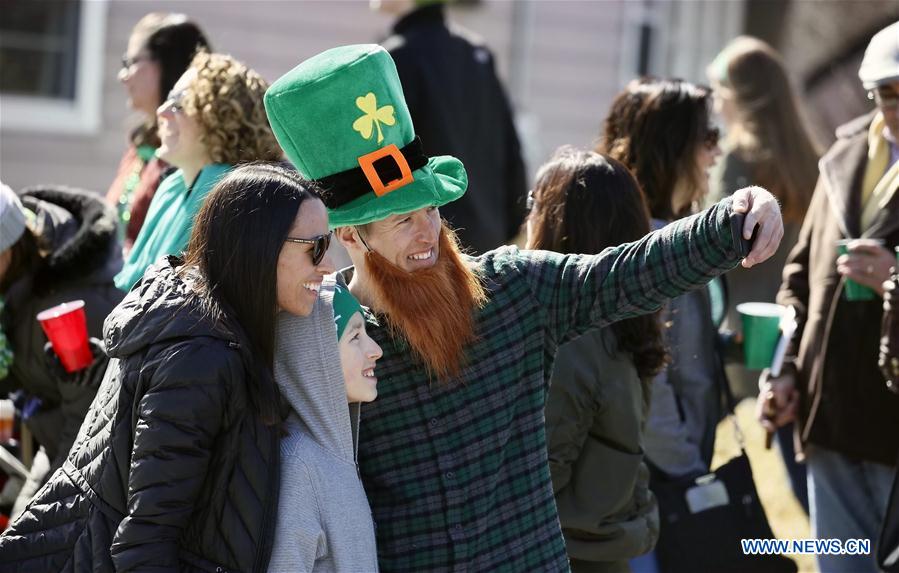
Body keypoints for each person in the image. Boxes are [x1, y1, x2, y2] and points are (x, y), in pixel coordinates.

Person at [264, 44, 782, 571]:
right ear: (351, 234)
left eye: (432, 208)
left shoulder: (513, 289)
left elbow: (622, 274)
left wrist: (733, 220)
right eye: (401, 220)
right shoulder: (326, 341)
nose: (430, 233)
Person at [0, 164, 334, 571]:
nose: (328, 264)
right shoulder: (198, 360)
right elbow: (143, 545)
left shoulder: (194, 319)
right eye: (314, 247)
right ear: (259, 248)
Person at [760, 21, 899, 573]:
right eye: (888, 93)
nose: (896, 109)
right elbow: (799, 276)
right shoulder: (841, 157)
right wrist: (788, 369)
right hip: (831, 416)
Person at [528, 147, 666, 572]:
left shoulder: (572, 344)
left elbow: (536, 486)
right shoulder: (623, 324)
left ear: (560, 226)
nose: (527, 214)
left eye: (535, 202)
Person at [706, 35, 820, 513]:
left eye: (719, 90)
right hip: (795, 333)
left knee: (694, 449)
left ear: (741, 95)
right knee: (806, 477)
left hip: (742, 336)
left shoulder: (737, 161)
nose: (715, 103)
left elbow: (709, 248)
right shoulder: (811, 160)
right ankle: (846, 551)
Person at [600, 77, 727, 483]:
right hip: (655, 482)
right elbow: (645, 382)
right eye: (708, 138)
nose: (717, 152)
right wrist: (688, 470)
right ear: (671, 149)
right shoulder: (649, 250)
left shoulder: (669, 234)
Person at [0, 182, 123, 519]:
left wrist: (51, 505)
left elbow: (93, 420)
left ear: (8, 250)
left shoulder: (66, 311)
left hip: (95, 462)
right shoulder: (11, 293)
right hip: (53, 440)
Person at [115, 51, 282, 291]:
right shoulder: (171, 186)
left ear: (220, 119)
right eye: (168, 99)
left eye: (179, 104)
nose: (162, 111)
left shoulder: (227, 195)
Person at [374, 0, 527, 254]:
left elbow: (385, 159)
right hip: (488, 242)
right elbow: (511, 149)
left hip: (424, 248)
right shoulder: (477, 53)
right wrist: (511, 226)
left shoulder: (395, 58)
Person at [268, 282, 382, 572]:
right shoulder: (299, 466)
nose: (376, 350)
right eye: (355, 336)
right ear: (316, 356)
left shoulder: (334, 456)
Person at [107, 12, 210, 253]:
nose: (123, 76)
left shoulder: (196, 159)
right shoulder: (141, 144)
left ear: (167, 63)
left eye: (129, 62)